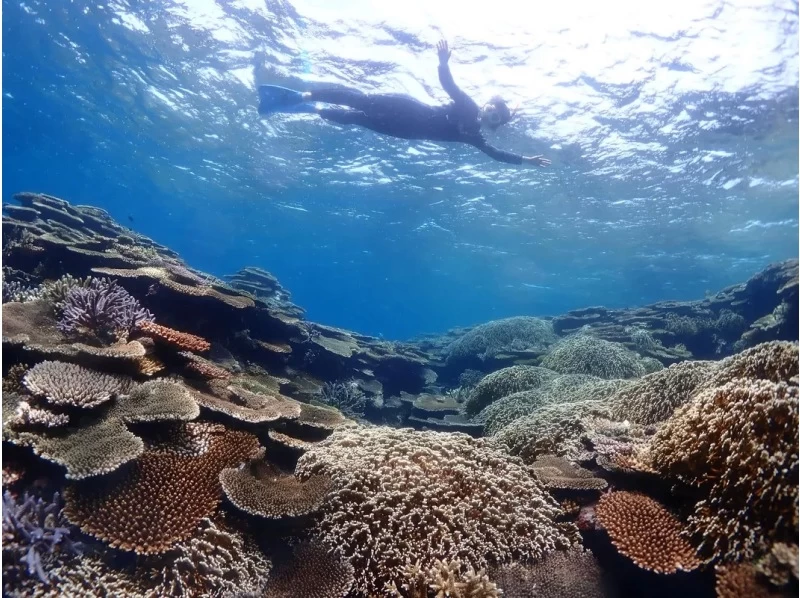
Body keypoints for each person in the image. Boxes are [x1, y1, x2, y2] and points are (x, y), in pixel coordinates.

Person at [258, 40, 551, 166]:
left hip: (404, 130)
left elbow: (496, 154)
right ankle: (303, 96)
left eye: (495, 116)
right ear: (486, 104)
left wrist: (525, 160)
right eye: (491, 106)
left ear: (495, 123)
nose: (488, 112)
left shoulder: (475, 138)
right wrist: (442, 63)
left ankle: (313, 108)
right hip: (407, 108)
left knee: (356, 118)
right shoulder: (469, 106)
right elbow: (449, 85)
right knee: (357, 99)